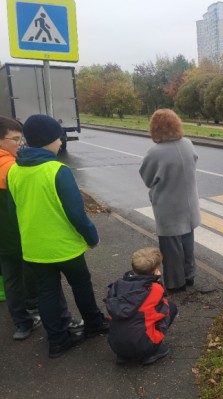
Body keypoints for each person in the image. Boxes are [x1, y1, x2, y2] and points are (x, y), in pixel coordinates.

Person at [7, 114, 108, 358]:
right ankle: (94, 324)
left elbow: (14, 210)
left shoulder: (14, 171)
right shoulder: (57, 170)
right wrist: (92, 237)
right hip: (65, 246)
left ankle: (58, 340)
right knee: (81, 284)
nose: (61, 143)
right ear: (50, 141)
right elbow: (76, 212)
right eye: (58, 138)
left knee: (47, 292)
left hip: (34, 248)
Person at [139, 109, 201, 293]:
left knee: (171, 248)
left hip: (169, 207)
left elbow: (148, 179)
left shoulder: (155, 152)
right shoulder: (188, 144)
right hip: (189, 205)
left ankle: (176, 284)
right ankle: (189, 276)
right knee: (188, 242)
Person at [0, 116, 42, 339]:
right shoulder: (11, 168)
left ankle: (22, 324)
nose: (20, 144)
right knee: (34, 274)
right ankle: (36, 309)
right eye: (15, 139)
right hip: (19, 233)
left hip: (2, 240)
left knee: (11, 280)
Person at [105, 247, 178, 365]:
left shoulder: (118, 285)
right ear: (155, 271)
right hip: (143, 346)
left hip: (116, 345)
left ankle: (125, 355)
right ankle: (149, 353)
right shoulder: (154, 289)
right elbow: (162, 312)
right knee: (171, 307)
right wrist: (157, 281)